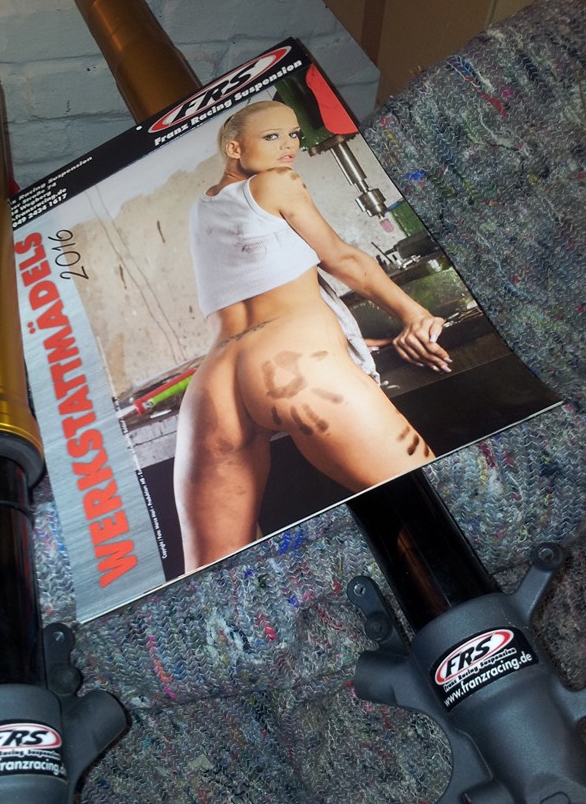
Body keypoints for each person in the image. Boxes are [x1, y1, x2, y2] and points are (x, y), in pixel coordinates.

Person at [173, 100, 451, 573]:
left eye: (294, 135)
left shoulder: (203, 207)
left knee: (214, 578)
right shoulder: (276, 182)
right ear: (234, 148)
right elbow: (342, 259)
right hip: (293, 368)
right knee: (439, 514)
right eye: (272, 137)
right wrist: (413, 312)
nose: (289, 147)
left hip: (213, 387)